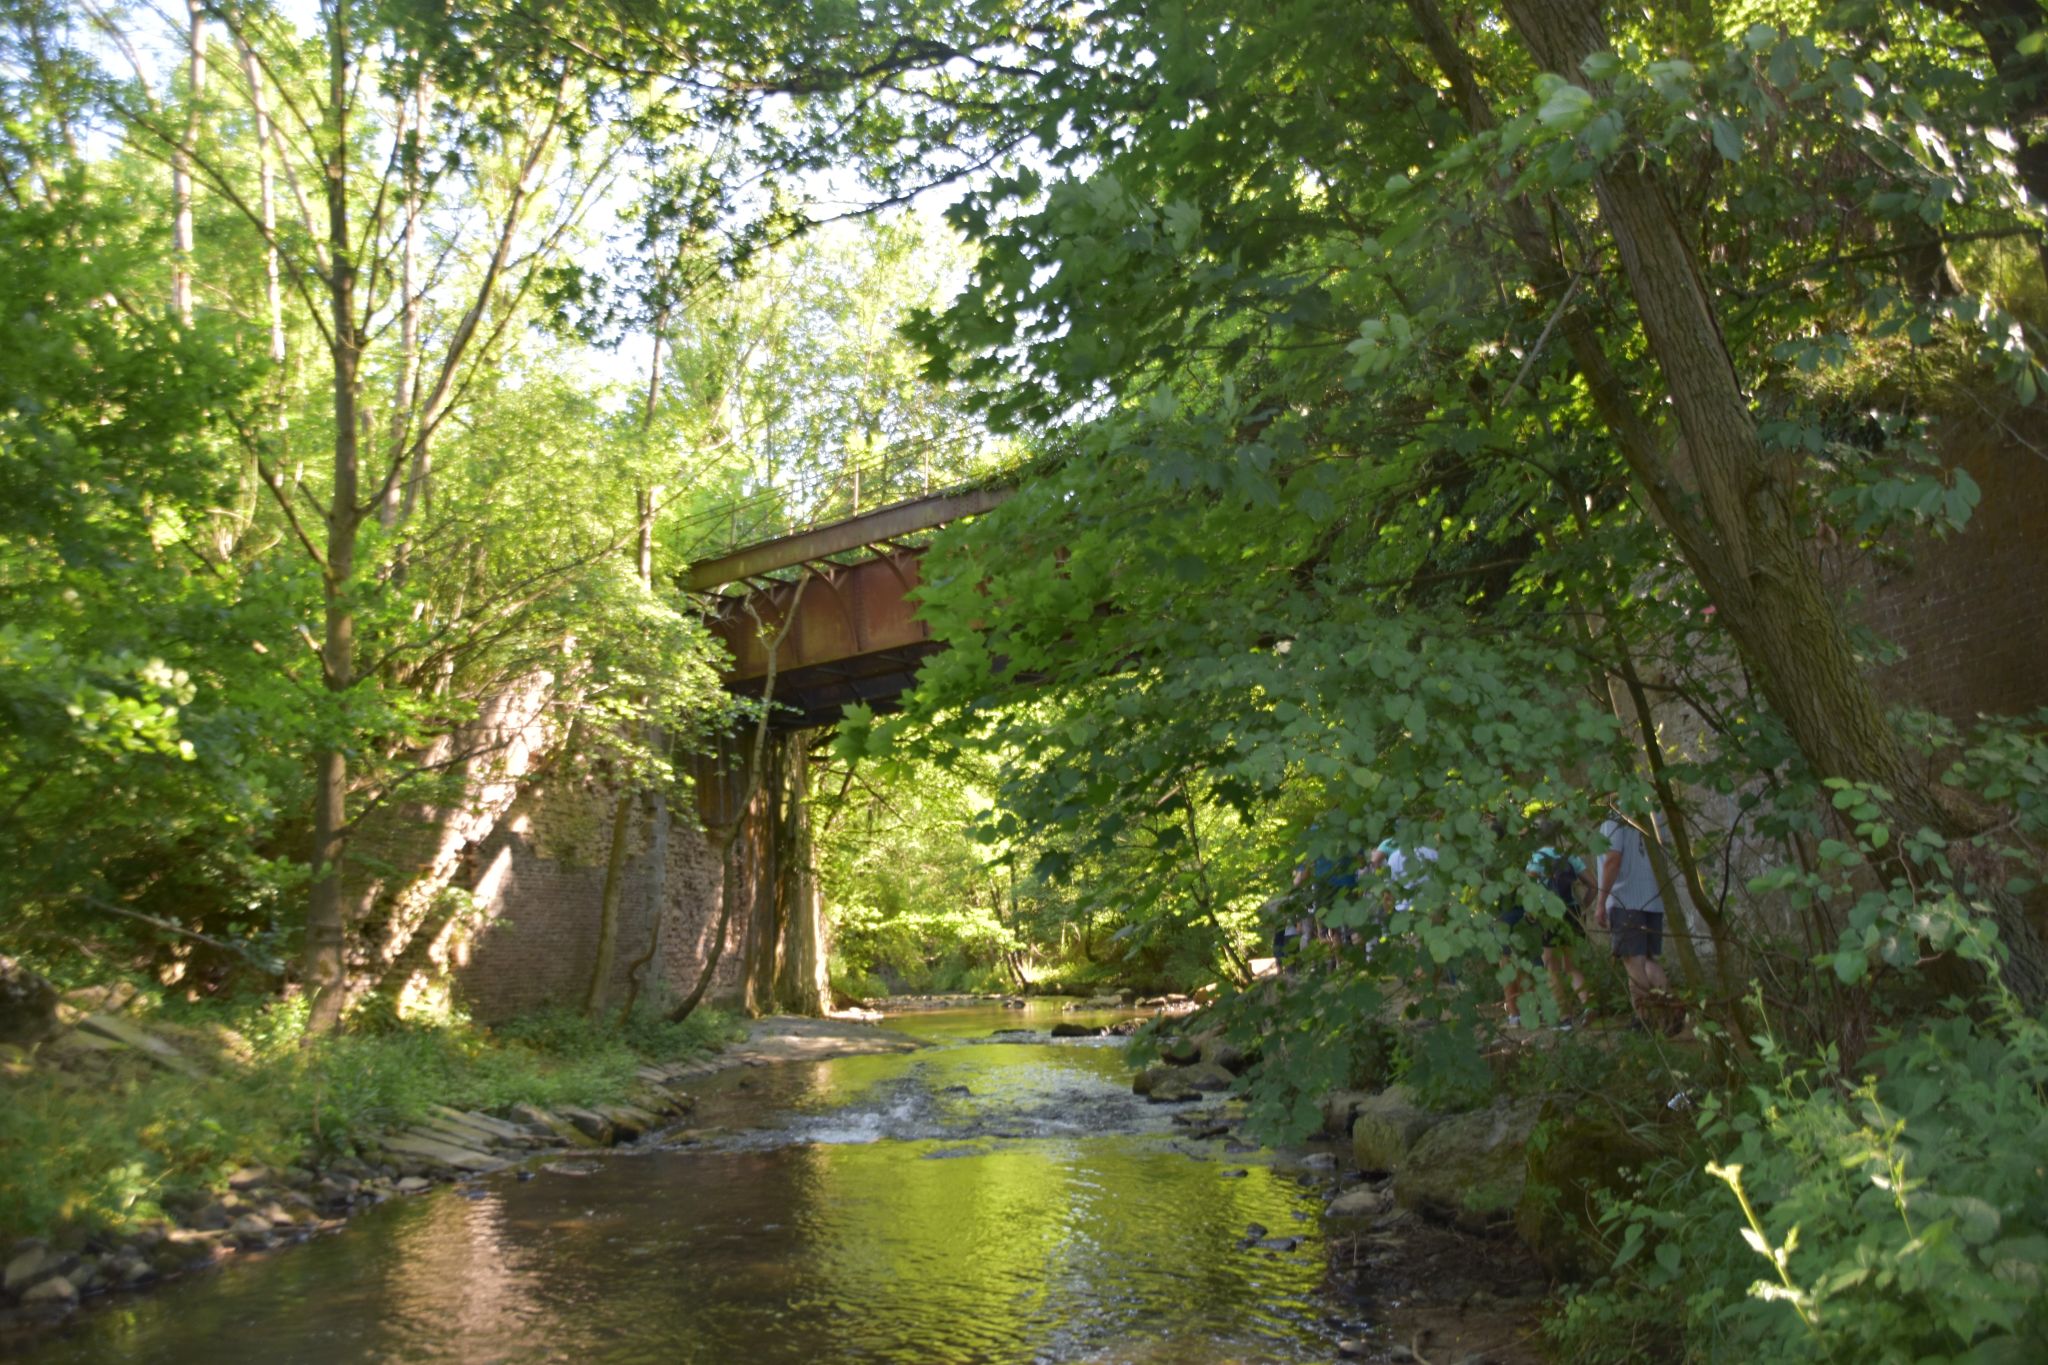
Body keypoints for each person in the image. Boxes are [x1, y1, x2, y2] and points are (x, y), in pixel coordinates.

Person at [1593, 807, 1676, 1032]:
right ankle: (1672, 1013)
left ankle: (1644, 1021)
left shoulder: (1614, 816)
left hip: (1625, 899)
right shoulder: (1652, 813)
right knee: (1648, 960)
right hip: (1653, 898)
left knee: (1633, 963)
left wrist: (1601, 902)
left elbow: (1612, 859)